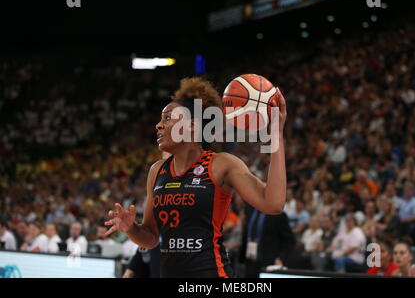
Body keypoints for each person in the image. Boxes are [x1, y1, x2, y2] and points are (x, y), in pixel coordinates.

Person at [104, 77, 287, 278]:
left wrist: (276, 135)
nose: (158, 125)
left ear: (191, 125)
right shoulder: (157, 171)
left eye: (167, 118)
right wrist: (131, 229)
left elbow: (273, 203)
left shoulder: (221, 164)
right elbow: (151, 237)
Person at [239, 205, 295, 277]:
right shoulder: (250, 210)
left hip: (269, 263)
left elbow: (289, 240)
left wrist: (281, 258)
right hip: (250, 261)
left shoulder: (278, 215)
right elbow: (246, 233)